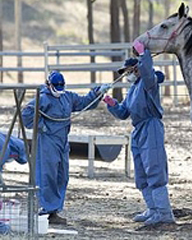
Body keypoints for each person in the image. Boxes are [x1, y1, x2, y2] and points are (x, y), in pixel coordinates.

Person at [22, 70, 109, 225]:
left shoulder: (67, 96)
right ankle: (46, 210)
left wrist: (97, 93)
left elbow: (84, 102)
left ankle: (55, 209)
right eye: (57, 86)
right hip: (48, 141)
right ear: (49, 84)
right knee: (47, 175)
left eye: (62, 85)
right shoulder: (41, 99)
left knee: (62, 176)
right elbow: (26, 116)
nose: (59, 88)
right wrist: (41, 126)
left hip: (63, 141)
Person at [103, 41, 175, 226]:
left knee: (154, 169)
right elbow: (123, 113)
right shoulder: (132, 90)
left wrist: (144, 55)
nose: (125, 75)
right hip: (138, 130)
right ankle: (152, 209)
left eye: (127, 71)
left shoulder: (148, 83)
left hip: (151, 128)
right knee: (142, 173)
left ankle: (164, 213)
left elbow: (150, 72)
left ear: (136, 69)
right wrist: (111, 104)